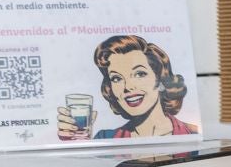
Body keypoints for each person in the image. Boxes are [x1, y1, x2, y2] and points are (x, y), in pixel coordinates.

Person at [58, 34, 198, 140]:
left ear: (161, 80)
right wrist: (77, 143)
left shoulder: (193, 134)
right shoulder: (105, 139)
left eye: (139, 74)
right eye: (117, 78)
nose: (128, 87)